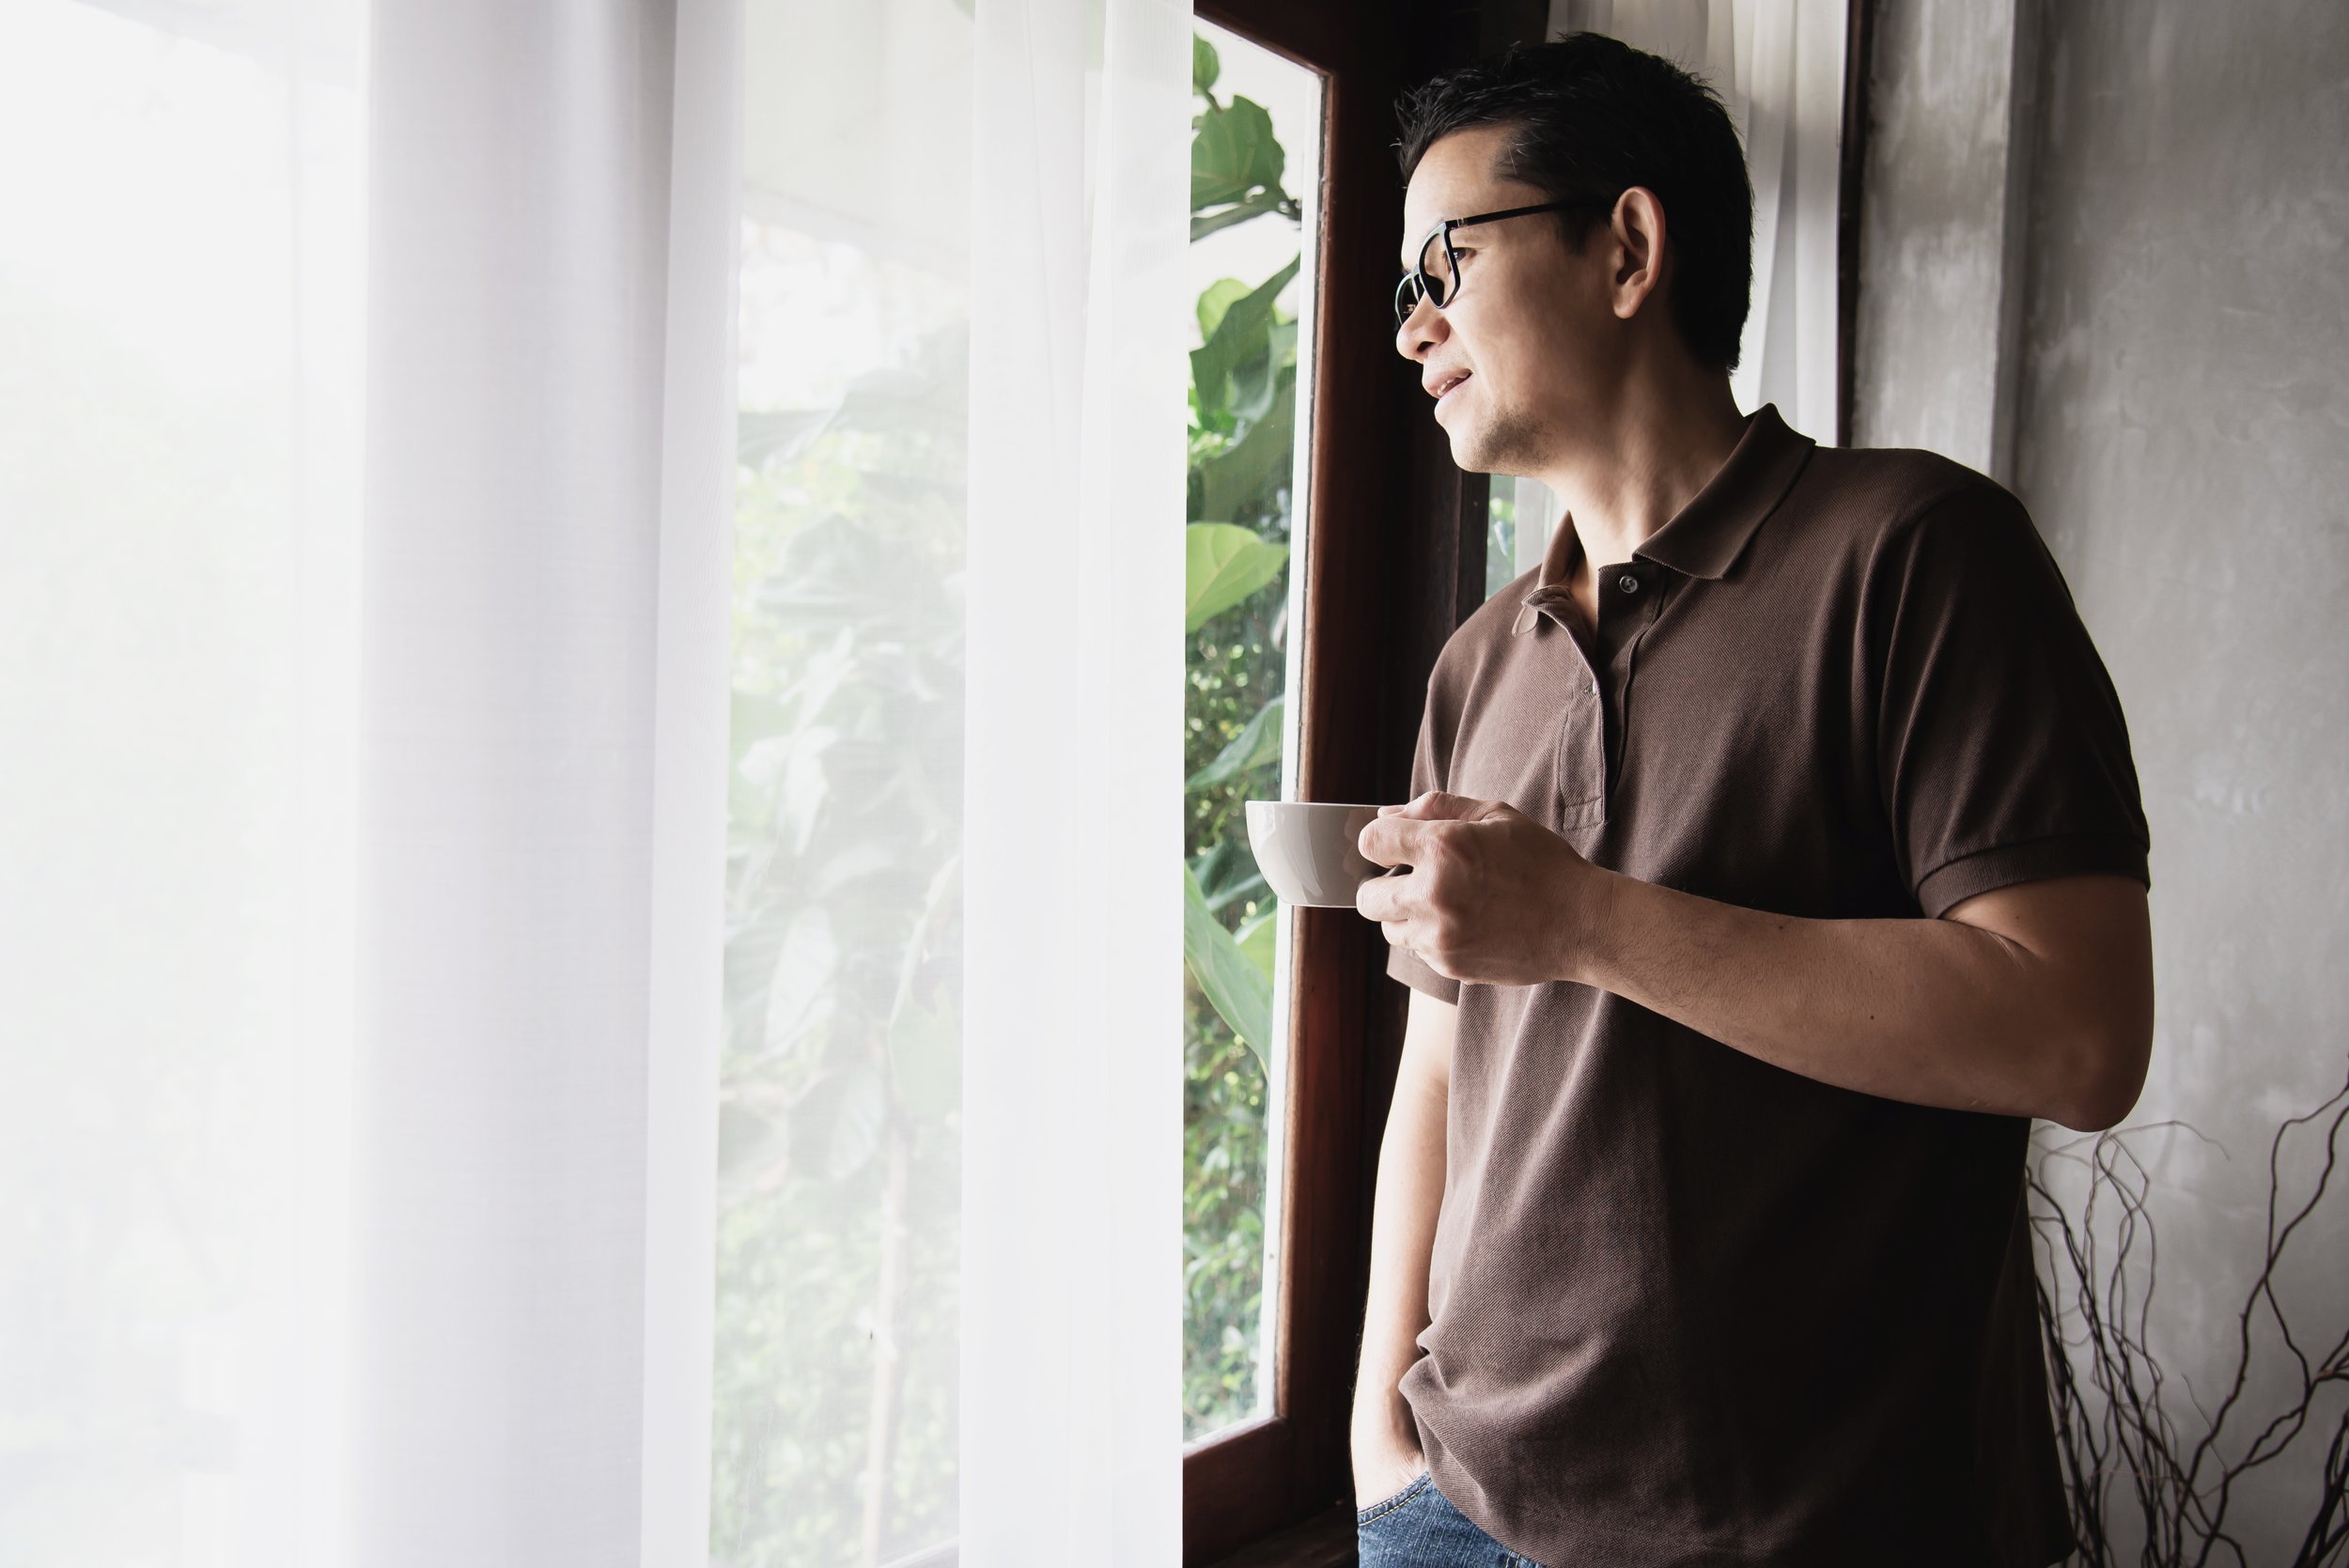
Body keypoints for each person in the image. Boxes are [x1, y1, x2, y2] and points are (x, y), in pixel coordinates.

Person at [1347, 33, 2154, 1568]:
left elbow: (2080, 1031)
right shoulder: (1474, 665)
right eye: (1404, 288)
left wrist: (1587, 921)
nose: (1414, 328)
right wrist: (1378, 1423)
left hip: (1826, 1530)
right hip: (1459, 1515)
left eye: (1443, 260)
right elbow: (1440, 1062)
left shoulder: (1916, 553)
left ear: (1629, 247)